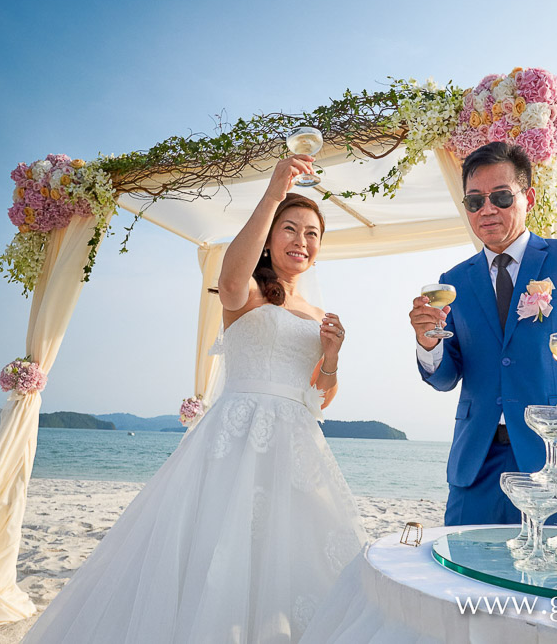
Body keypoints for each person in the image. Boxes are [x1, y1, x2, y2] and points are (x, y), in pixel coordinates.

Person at [24, 153, 367, 643]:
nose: (302, 241)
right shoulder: (248, 291)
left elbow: (320, 398)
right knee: (216, 556)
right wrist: (273, 192)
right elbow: (228, 279)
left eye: (312, 234)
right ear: (270, 237)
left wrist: (331, 354)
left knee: (289, 561)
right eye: (290, 228)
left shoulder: (317, 312)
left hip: (296, 449)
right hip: (235, 439)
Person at [409, 142, 557, 526]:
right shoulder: (454, 280)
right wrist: (428, 343)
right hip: (476, 466)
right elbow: (447, 378)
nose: (487, 209)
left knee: (552, 579)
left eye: (500, 196)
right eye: (475, 201)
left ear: (527, 197)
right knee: (461, 574)